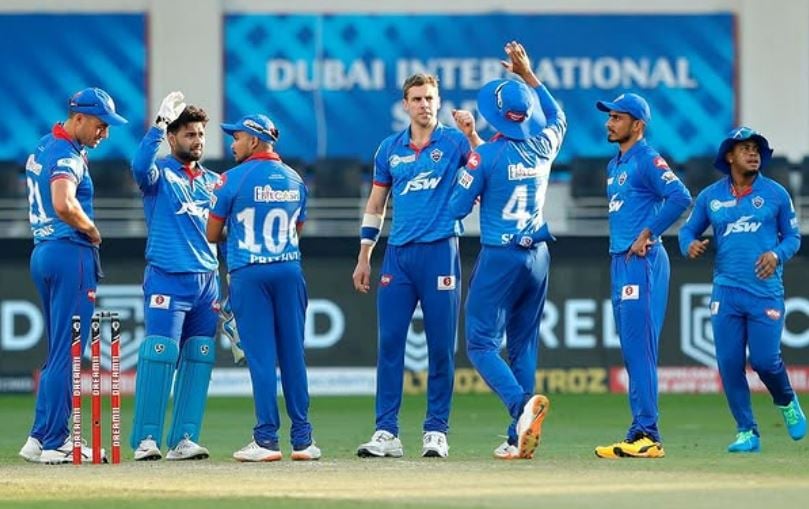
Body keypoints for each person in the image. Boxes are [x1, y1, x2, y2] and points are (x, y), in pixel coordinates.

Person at [448, 41, 565, 460]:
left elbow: (458, 207)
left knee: (480, 344)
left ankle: (520, 410)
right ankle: (517, 439)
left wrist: (466, 161)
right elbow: (558, 116)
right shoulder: (544, 144)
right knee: (523, 344)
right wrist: (528, 73)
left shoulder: (484, 157)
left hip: (501, 254)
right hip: (538, 254)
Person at [352, 72, 475, 459]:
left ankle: (436, 431)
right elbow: (376, 205)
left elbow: (487, 166)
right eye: (417, 98)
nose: (424, 104)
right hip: (399, 256)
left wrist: (472, 134)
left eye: (430, 98)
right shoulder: (389, 149)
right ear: (405, 105)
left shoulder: (454, 142)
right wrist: (364, 255)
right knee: (390, 344)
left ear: (438, 102)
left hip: (440, 250)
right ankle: (386, 432)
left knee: (440, 347)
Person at [678, 127, 806, 452]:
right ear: (730, 157)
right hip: (726, 292)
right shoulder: (710, 196)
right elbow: (687, 231)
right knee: (730, 363)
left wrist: (776, 254)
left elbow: (793, 238)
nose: (753, 153)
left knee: (765, 361)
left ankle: (787, 401)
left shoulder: (777, 194)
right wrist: (689, 245)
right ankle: (747, 431)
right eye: (746, 148)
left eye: (757, 149)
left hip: (765, 292)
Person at [18, 87, 127, 464]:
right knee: (69, 350)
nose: (105, 134)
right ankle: (56, 443)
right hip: (70, 254)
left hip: (43, 252)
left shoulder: (45, 146)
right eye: (100, 125)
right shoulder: (67, 154)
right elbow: (64, 203)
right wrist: (92, 230)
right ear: (78, 118)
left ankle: (38, 436)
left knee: (57, 350)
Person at [207, 113, 320, 462]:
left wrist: (242, 237)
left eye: (237, 137)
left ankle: (266, 440)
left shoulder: (231, 179)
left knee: (260, 358)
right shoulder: (295, 178)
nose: (232, 143)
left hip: (250, 273)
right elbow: (295, 230)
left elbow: (211, 234)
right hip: (288, 269)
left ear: (254, 141)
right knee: (293, 356)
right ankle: (303, 441)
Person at [593, 92, 691, 459]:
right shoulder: (614, 164)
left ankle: (648, 433)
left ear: (637, 125)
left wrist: (649, 232)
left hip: (643, 261)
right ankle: (639, 430)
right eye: (610, 117)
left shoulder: (647, 158)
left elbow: (681, 197)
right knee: (633, 351)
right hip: (621, 260)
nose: (610, 123)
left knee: (641, 349)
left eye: (617, 117)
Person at [128, 92, 220, 461]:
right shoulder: (159, 174)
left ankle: (184, 439)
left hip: (207, 282)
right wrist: (157, 126)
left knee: (199, 356)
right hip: (167, 277)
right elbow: (137, 167)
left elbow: (223, 235)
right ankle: (147, 440)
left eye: (200, 135)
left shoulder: (214, 181)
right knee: (160, 353)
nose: (197, 141)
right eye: (189, 134)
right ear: (173, 137)